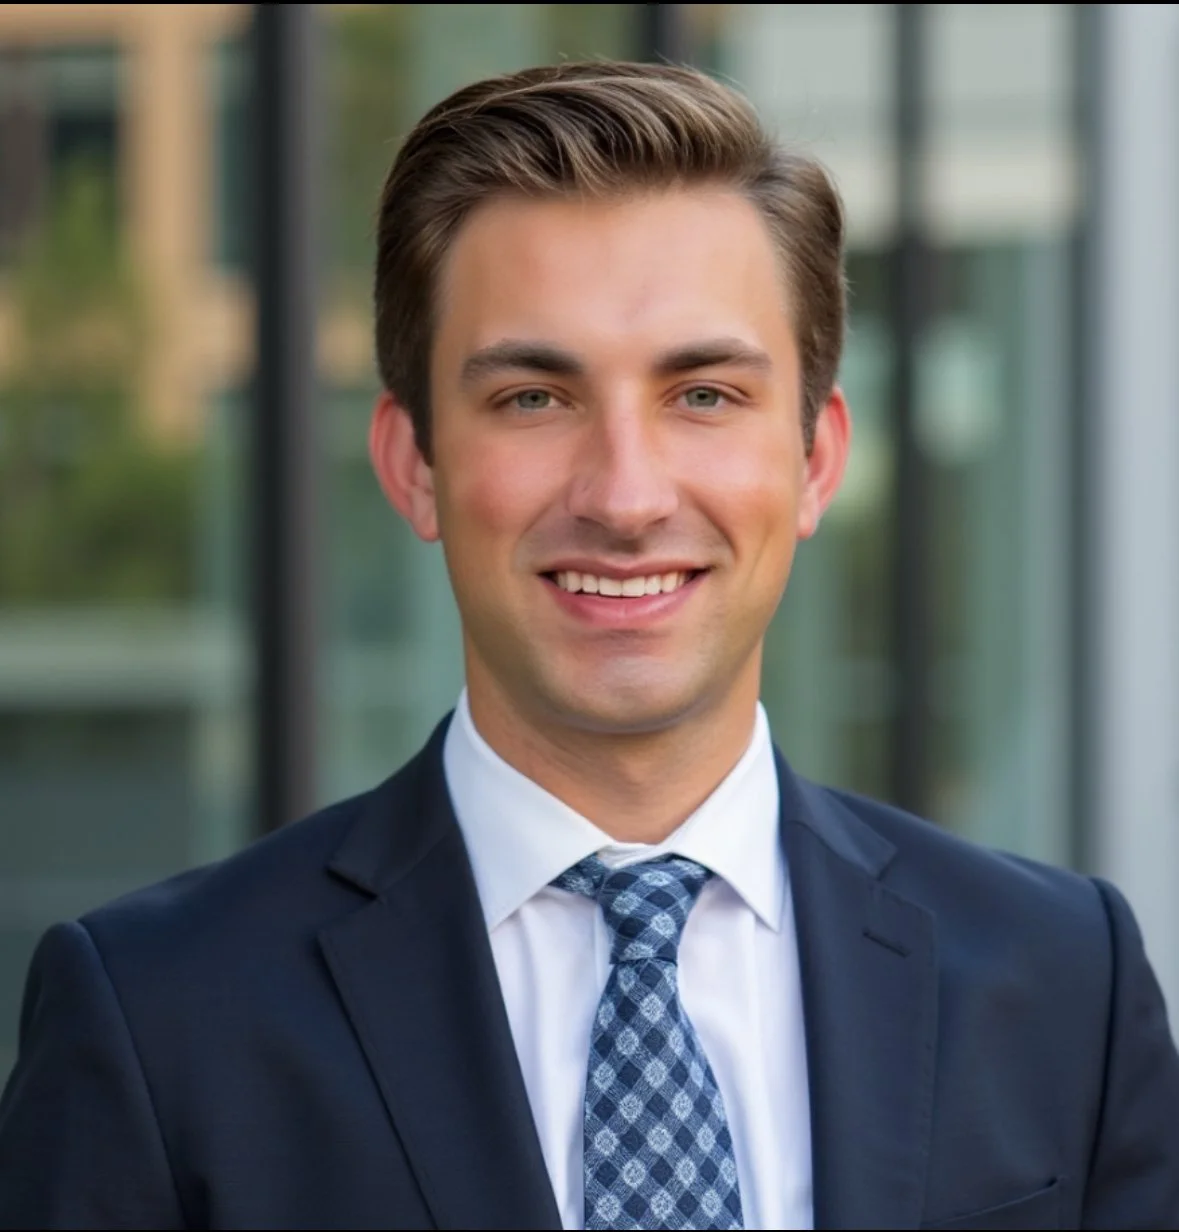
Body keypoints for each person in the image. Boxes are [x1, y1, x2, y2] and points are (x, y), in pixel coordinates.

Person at [1, 60, 1177, 1232]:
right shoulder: (159, 1021)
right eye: (534, 398)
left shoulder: (1066, 985)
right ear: (414, 463)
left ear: (816, 459)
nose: (624, 495)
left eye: (704, 395)